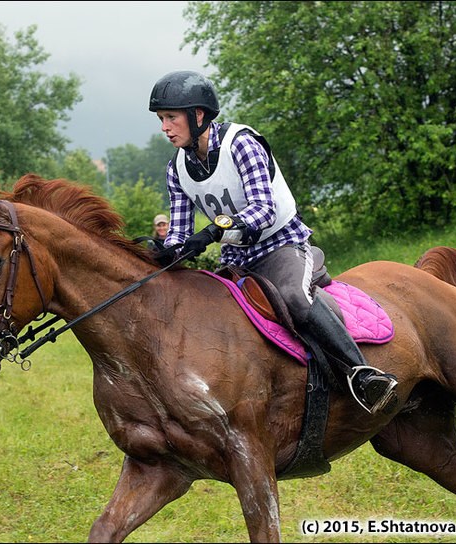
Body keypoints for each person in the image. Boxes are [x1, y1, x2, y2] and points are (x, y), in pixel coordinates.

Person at [148, 70, 398, 414]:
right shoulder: (176, 169)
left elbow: (264, 210)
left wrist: (216, 230)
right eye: (161, 119)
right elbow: (177, 233)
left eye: (170, 117)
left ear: (198, 115)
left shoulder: (241, 145)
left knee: (295, 298)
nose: (164, 127)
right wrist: (161, 251)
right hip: (237, 259)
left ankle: (365, 375)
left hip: (281, 245)